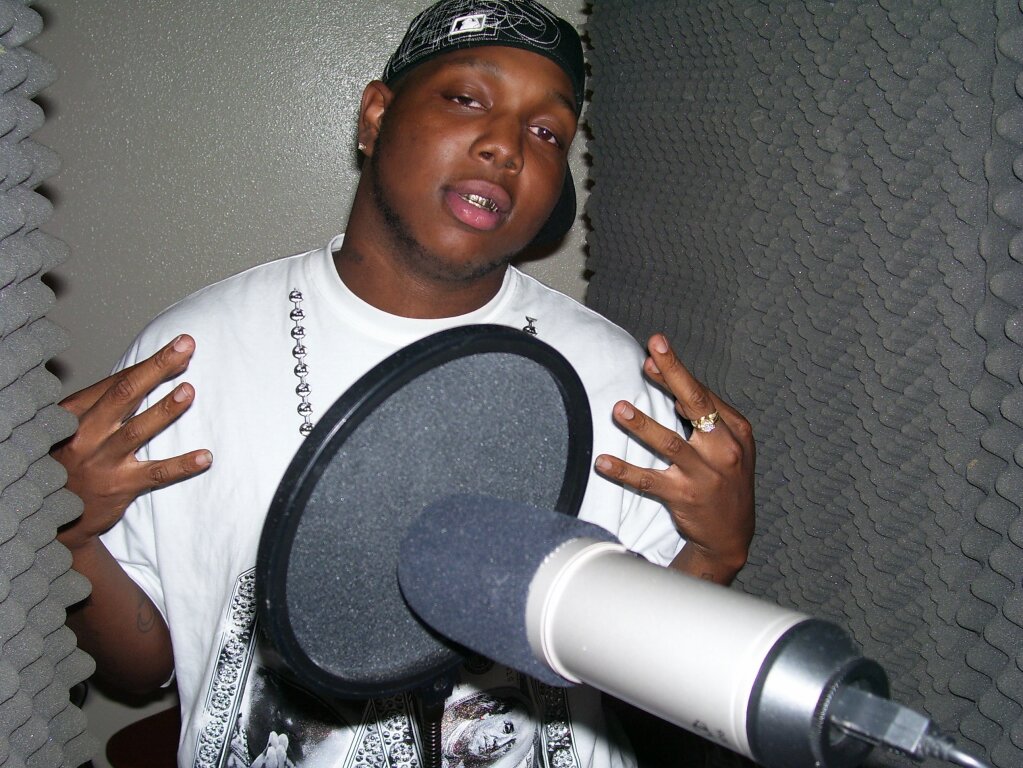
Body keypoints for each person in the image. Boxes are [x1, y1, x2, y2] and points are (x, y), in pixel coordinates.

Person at [52, 2, 755, 767]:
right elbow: (140, 667)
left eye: (547, 132)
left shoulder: (610, 380)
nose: (505, 146)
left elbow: (644, 673)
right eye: (466, 98)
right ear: (375, 117)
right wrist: (70, 534)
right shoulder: (195, 358)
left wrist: (713, 554)